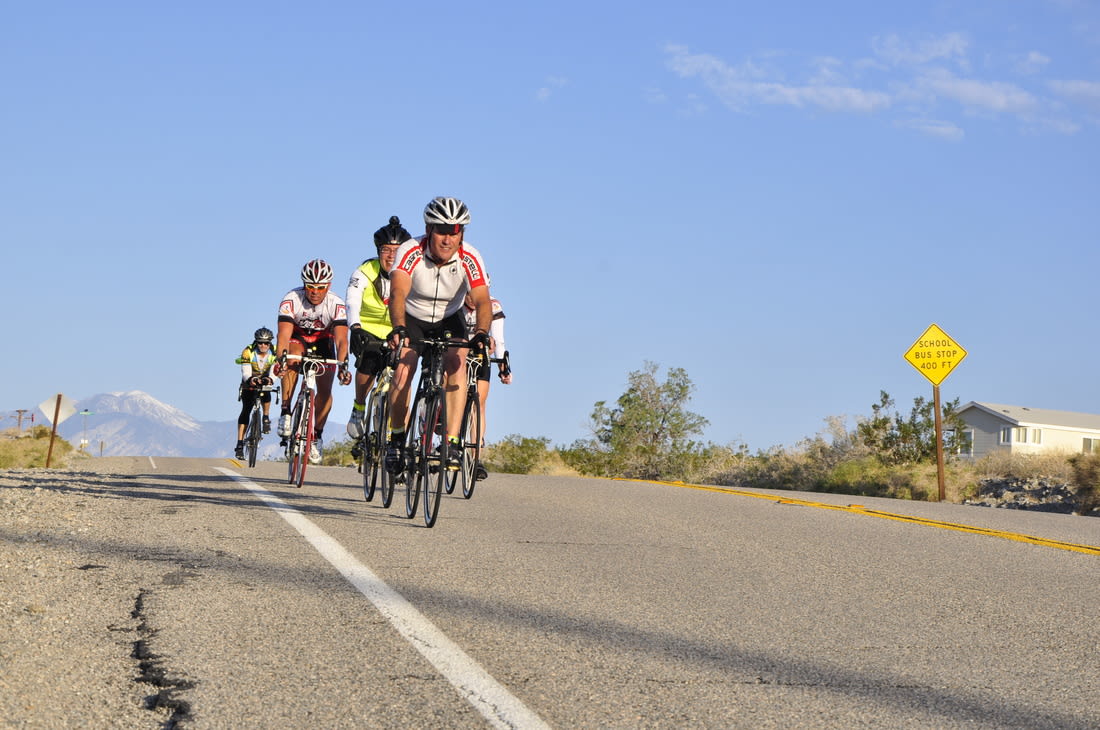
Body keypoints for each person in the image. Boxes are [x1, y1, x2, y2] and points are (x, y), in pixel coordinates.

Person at [386, 196, 493, 473]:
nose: (447, 239)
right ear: (429, 229)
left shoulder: (470, 256)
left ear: (462, 234)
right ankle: (396, 439)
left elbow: (482, 300)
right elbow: (397, 292)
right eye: (441, 231)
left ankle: (452, 442)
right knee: (402, 370)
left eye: (454, 232)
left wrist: (481, 332)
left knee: (457, 365)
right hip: (412, 316)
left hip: (449, 317)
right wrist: (398, 327)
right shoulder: (410, 251)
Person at [272, 259, 352, 465]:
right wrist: (280, 359)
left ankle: (316, 435)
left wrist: (344, 364)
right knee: (292, 355)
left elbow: (342, 340)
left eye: (320, 287)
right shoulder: (292, 299)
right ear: (304, 285)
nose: (315, 292)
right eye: (310, 287)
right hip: (298, 339)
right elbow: (283, 336)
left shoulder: (336, 304)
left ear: (328, 286)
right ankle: (286, 412)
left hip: (324, 341)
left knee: (325, 388)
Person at [345, 216, 413, 442]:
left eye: (397, 250)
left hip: (399, 328)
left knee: (404, 373)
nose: (392, 255)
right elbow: (352, 300)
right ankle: (358, 408)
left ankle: (400, 430)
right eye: (386, 250)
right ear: (378, 251)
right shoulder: (365, 270)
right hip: (369, 328)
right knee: (369, 362)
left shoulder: (412, 273)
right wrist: (355, 327)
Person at [461, 286, 511, 481]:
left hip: (480, 352)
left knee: (479, 402)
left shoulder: (493, 305)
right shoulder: (454, 303)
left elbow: (499, 340)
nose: (472, 299)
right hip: (458, 349)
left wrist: (503, 368)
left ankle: (477, 458)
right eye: (468, 294)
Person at [234, 327, 278, 460]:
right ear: (256, 342)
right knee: (246, 410)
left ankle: (265, 417)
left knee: (267, 390)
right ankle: (240, 444)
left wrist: (270, 379)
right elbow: (246, 372)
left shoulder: (275, 352)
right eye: (260, 343)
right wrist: (251, 379)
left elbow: (275, 369)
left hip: (266, 378)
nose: (263, 346)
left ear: (270, 343)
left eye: (266, 343)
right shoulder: (248, 352)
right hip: (250, 380)